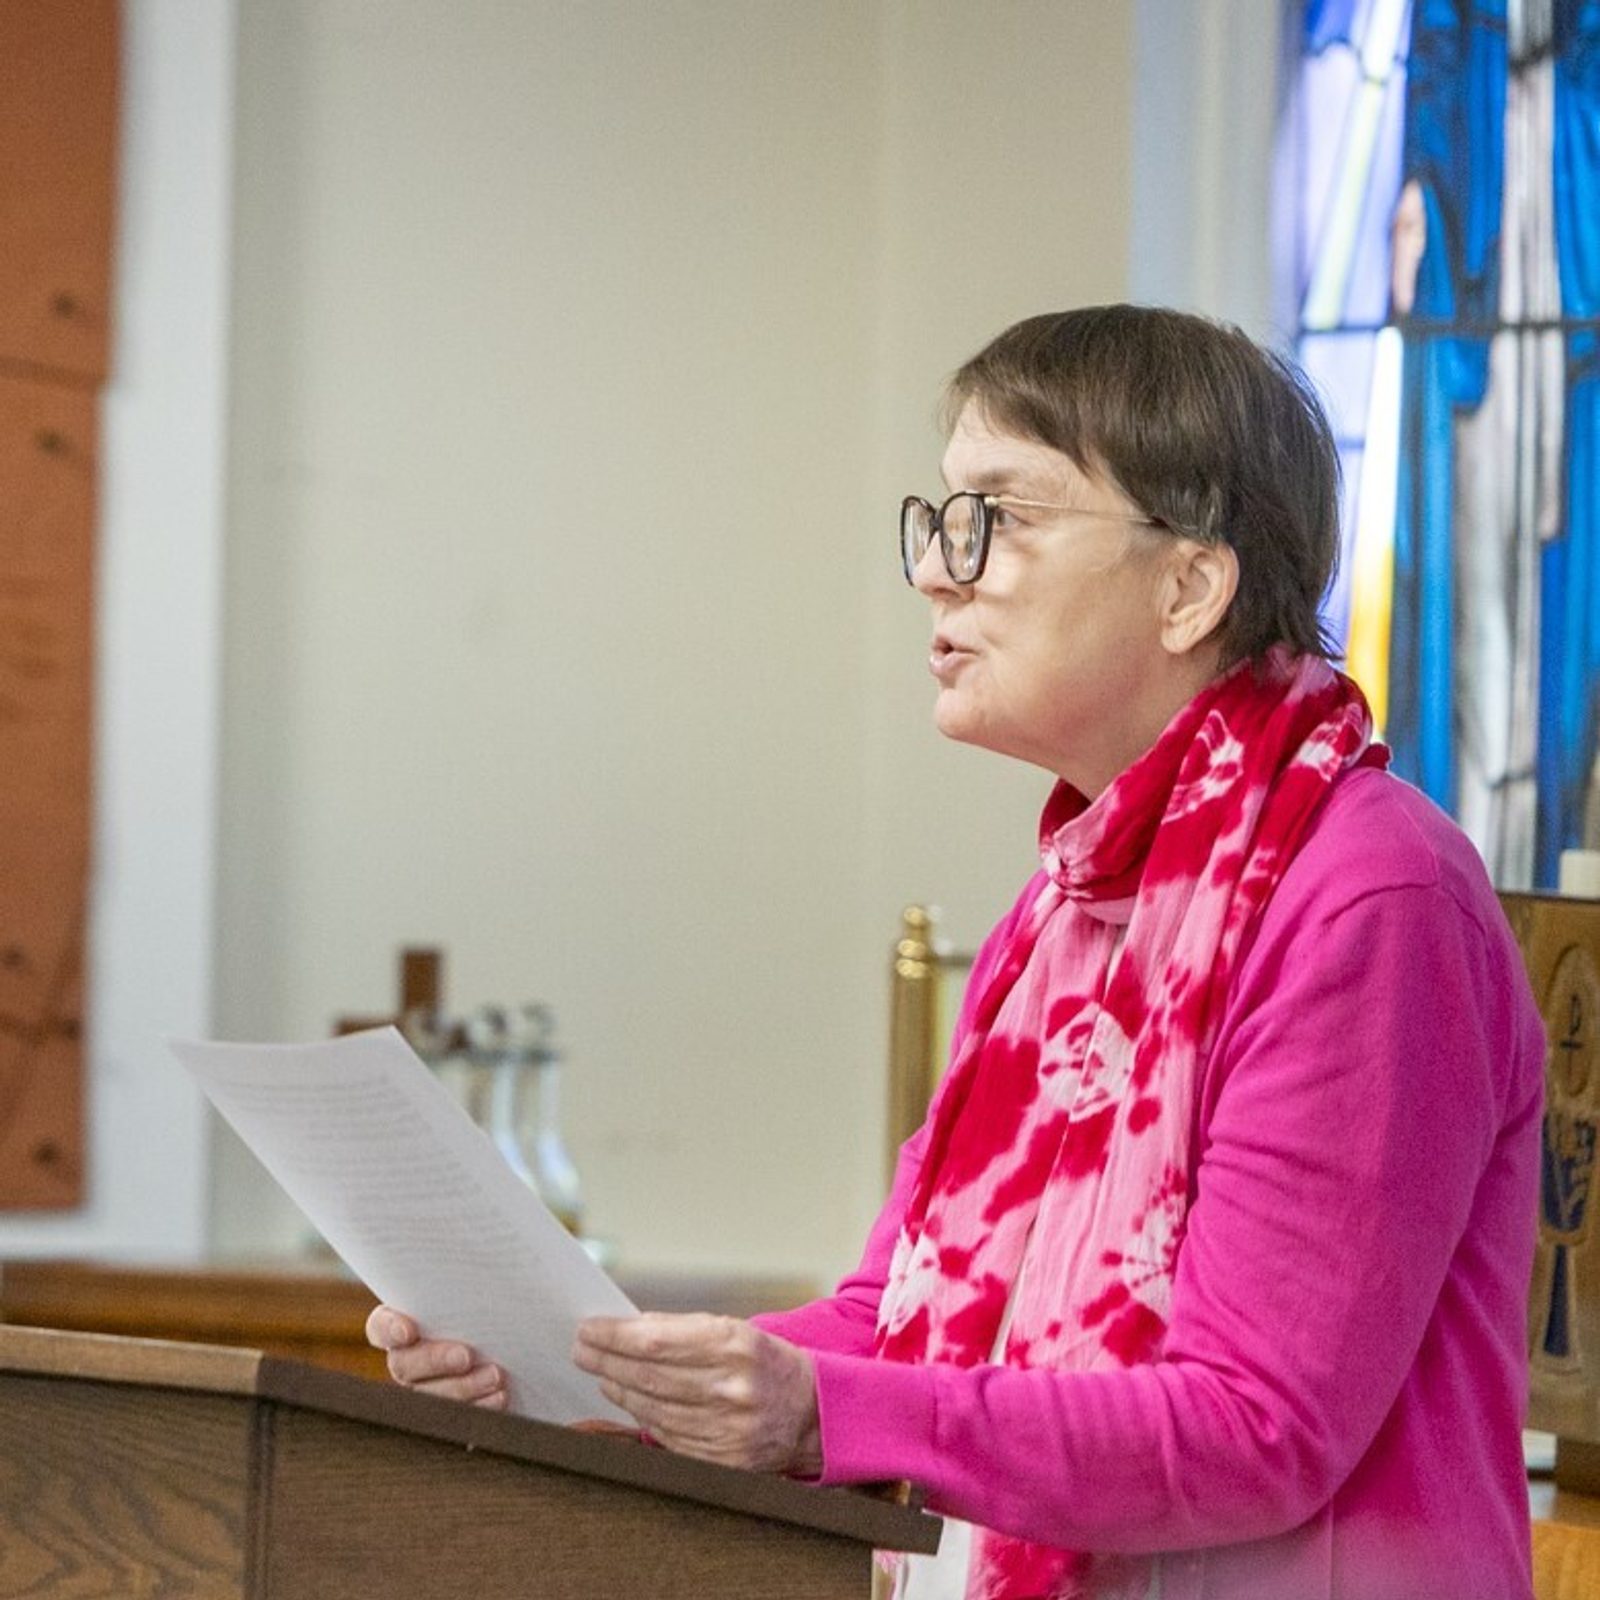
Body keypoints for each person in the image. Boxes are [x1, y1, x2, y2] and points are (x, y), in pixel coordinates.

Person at [367, 306, 1545, 1600]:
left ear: (1189, 586)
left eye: (1004, 516)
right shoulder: (1067, 912)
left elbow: (1257, 1425)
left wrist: (822, 1416)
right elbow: (889, 1324)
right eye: (941, 516)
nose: (941, 569)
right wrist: (584, 1377)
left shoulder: (1370, 895)